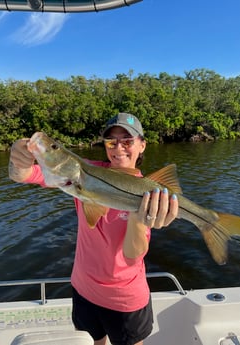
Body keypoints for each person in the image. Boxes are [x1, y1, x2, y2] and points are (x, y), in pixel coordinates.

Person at [9, 112, 179, 345]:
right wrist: (18, 160)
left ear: (142, 145)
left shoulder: (151, 195)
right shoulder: (83, 171)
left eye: (127, 141)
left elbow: (132, 255)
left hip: (124, 300)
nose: (119, 147)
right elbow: (24, 175)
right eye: (111, 141)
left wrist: (139, 218)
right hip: (83, 289)